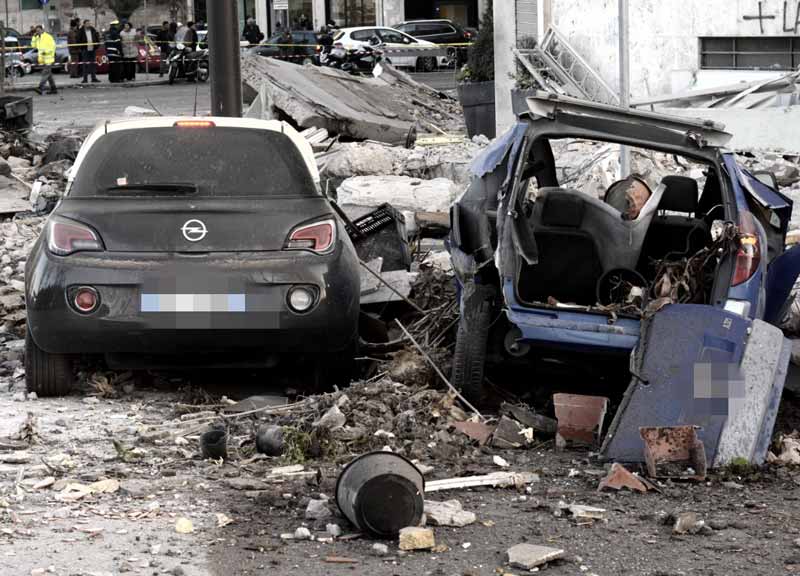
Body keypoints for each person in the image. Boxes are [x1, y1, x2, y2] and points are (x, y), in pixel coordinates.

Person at [31, 25, 57, 95]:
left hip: (49, 58)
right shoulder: (38, 38)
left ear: (42, 30)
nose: (38, 31)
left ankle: (40, 87)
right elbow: (33, 46)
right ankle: (54, 89)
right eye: (37, 31)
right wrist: (34, 37)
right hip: (43, 59)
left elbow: (53, 46)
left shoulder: (48, 37)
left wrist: (46, 52)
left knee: (45, 74)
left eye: (39, 30)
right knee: (49, 75)